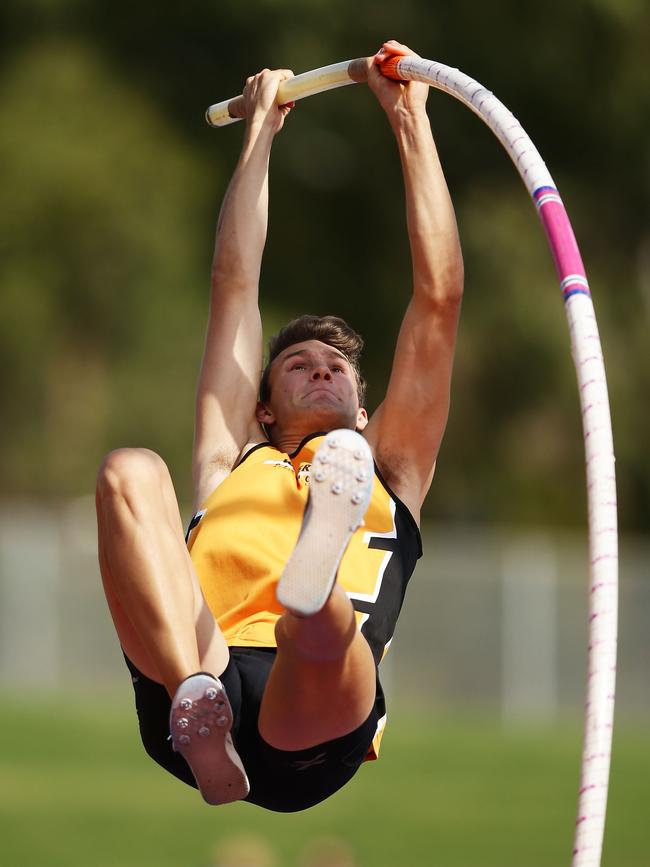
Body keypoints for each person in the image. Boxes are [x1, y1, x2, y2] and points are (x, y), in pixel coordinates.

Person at [95, 40, 463, 813]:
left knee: (315, 630)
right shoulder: (232, 456)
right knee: (128, 472)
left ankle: (312, 582)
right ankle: (196, 694)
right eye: (297, 363)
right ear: (262, 407)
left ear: (365, 410)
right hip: (200, 672)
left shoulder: (391, 470)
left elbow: (438, 299)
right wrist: (260, 128)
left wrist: (410, 122)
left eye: (335, 366)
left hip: (317, 715)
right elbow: (235, 283)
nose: (321, 368)